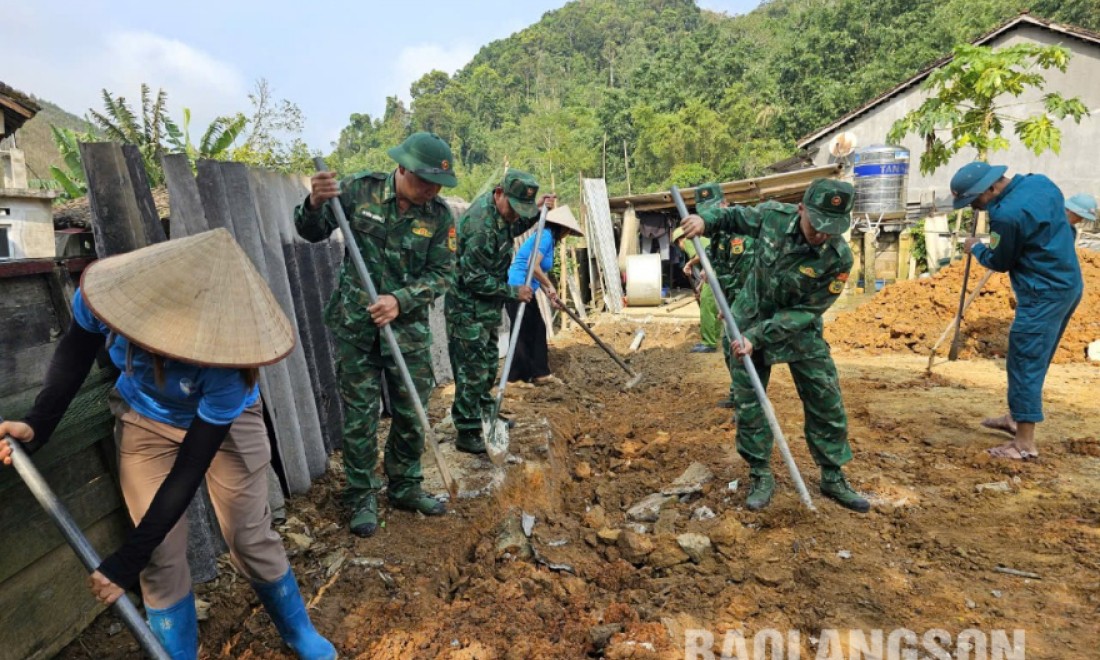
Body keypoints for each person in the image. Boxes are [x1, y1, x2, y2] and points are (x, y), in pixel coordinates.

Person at [0, 229, 336, 659]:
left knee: (250, 537)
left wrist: (125, 561)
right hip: (145, 419)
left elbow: (189, 469)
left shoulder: (229, 373)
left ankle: (298, 631)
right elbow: (75, 351)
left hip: (228, 427)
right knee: (158, 552)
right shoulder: (111, 294)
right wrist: (38, 425)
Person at [295, 131, 457, 538]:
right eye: (424, 181)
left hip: (408, 333)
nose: (432, 190)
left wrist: (400, 300)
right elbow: (310, 231)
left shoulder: (439, 217)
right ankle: (362, 495)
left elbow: (443, 274)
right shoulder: (356, 191)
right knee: (360, 418)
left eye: (438, 184)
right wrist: (314, 202)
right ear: (400, 168)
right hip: (356, 328)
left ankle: (404, 485)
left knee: (411, 415)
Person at [678, 178, 869, 513]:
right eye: (817, 224)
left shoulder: (839, 258)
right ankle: (760, 473)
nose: (822, 234)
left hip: (798, 330)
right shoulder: (773, 217)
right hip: (747, 320)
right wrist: (705, 221)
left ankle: (832, 474)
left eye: (831, 228)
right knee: (750, 403)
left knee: (826, 399)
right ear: (801, 209)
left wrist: (761, 336)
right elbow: (733, 217)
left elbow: (807, 311)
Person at [951, 162, 1083, 460]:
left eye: (975, 201)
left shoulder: (1006, 215)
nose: (975, 208)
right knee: (1032, 358)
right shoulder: (1041, 183)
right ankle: (1016, 415)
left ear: (990, 188)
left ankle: (1023, 443)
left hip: (1043, 293)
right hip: (1068, 284)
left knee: (1025, 360)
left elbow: (1000, 262)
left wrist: (976, 247)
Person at [446, 169, 552, 454]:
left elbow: (515, 226)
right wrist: (512, 291)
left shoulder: (504, 214)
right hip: (467, 309)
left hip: (486, 307)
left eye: (523, 209)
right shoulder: (480, 226)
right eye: (515, 208)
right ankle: (467, 430)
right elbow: (474, 279)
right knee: (471, 370)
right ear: (498, 193)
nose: (517, 215)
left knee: (488, 364)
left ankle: (485, 414)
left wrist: (537, 209)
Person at [692, 182, 758, 409]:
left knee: (742, 350)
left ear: (725, 205)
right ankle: (738, 393)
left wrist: (728, 302)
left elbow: (744, 278)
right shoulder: (718, 235)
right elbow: (718, 263)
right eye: (704, 212)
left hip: (747, 303)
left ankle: (748, 399)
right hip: (731, 300)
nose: (709, 216)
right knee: (730, 349)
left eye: (713, 210)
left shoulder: (740, 234)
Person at [504, 205, 585, 385]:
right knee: (523, 331)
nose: (567, 235)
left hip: (526, 288)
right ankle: (516, 378)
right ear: (563, 228)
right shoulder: (546, 236)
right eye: (568, 231)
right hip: (517, 288)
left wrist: (550, 293)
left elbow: (536, 271)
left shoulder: (548, 239)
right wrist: (550, 285)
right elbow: (533, 266)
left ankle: (538, 374)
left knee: (537, 328)